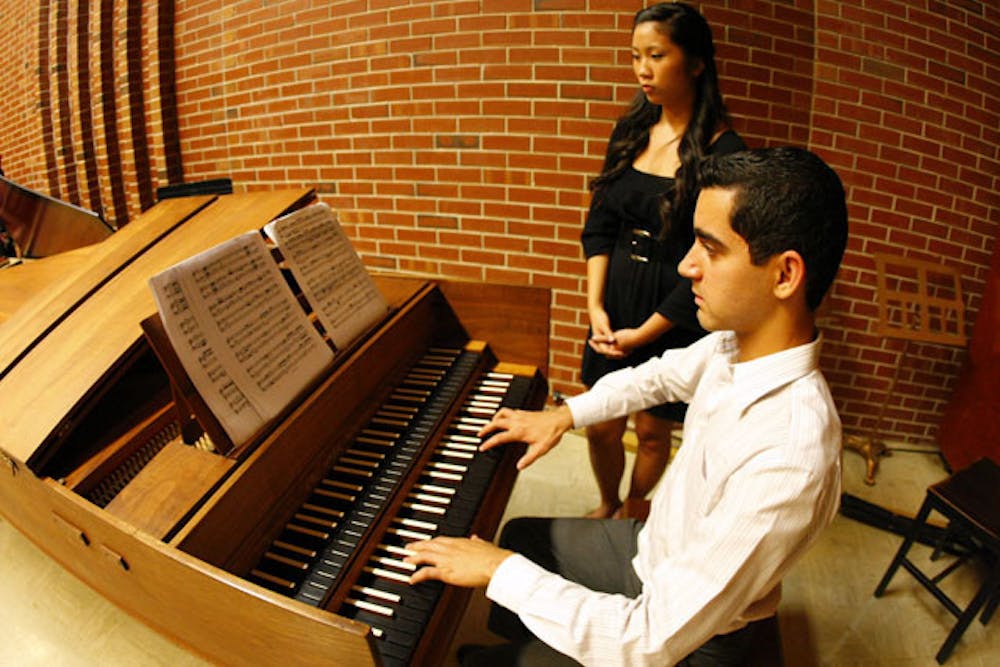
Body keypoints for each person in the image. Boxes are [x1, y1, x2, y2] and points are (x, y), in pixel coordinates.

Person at [405, 146, 849, 666]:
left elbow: (647, 642)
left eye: (710, 247)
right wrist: (564, 415)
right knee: (520, 537)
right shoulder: (734, 345)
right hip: (654, 552)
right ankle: (525, 643)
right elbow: (656, 377)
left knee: (489, 619)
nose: (686, 266)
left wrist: (500, 572)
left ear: (784, 275)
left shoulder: (790, 457)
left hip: (686, 641)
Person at [579, 2, 746, 519]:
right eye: (635, 56)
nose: (642, 70)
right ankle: (607, 503)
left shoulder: (724, 150)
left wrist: (647, 333)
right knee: (602, 422)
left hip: (673, 305)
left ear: (696, 63)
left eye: (656, 55)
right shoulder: (630, 131)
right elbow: (599, 225)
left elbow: (710, 257)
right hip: (617, 294)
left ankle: (634, 507)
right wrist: (595, 307)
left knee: (652, 431)